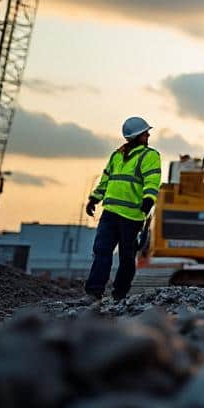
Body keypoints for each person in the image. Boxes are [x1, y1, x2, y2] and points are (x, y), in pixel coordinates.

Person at [84, 116, 162, 300]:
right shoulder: (116, 156)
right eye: (145, 133)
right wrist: (94, 198)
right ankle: (94, 292)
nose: (148, 135)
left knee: (127, 258)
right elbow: (106, 180)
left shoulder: (149, 156)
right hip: (110, 213)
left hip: (132, 216)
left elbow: (152, 180)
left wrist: (149, 199)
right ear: (136, 136)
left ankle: (119, 294)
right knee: (101, 251)